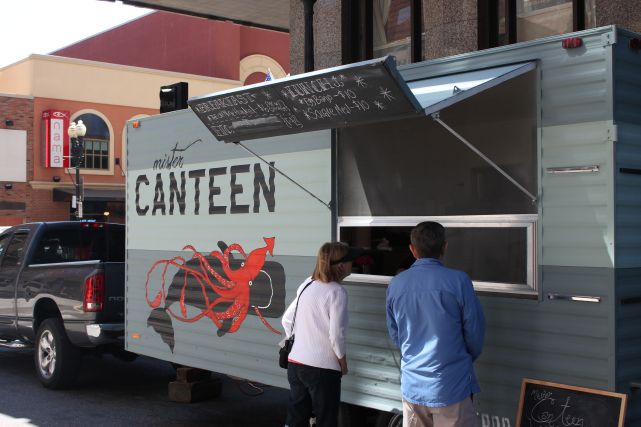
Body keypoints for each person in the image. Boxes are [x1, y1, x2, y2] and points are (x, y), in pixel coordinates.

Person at [386, 222, 485, 427]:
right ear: (444, 247)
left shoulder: (396, 284)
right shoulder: (459, 281)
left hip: (413, 384)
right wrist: (463, 358)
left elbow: (395, 334)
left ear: (412, 250)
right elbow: (474, 333)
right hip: (452, 383)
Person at [282, 242, 362, 427]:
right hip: (322, 369)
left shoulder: (307, 284)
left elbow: (287, 319)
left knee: (296, 417)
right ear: (341, 265)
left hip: (295, 364)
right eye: (351, 260)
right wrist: (342, 360)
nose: (353, 263)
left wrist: (301, 342)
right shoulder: (337, 292)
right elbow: (336, 334)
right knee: (326, 419)